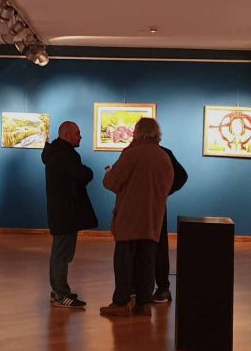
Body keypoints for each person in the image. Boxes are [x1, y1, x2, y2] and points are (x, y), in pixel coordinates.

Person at [101, 117, 173, 317]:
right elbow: (168, 185)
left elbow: (112, 182)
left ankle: (121, 303)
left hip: (129, 218)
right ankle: (144, 303)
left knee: (124, 261)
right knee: (147, 262)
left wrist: (108, 173)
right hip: (152, 218)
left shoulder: (131, 154)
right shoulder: (163, 157)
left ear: (137, 132)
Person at [42, 121, 98, 309]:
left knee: (61, 252)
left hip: (63, 210)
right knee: (62, 253)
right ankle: (61, 293)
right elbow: (82, 175)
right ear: (66, 134)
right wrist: (88, 171)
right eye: (77, 133)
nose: (80, 136)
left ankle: (58, 291)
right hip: (66, 211)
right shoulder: (64, 155)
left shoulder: (57, 153)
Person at [150, 146, 187, 303]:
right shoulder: (164, 152)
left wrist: (165, 191)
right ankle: (162, 288)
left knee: (143, 246)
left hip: (138, 207)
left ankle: (148, 288)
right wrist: (164, 191)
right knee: (159, 246)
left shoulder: (132, 151)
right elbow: (181, 176)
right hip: (156, 205)